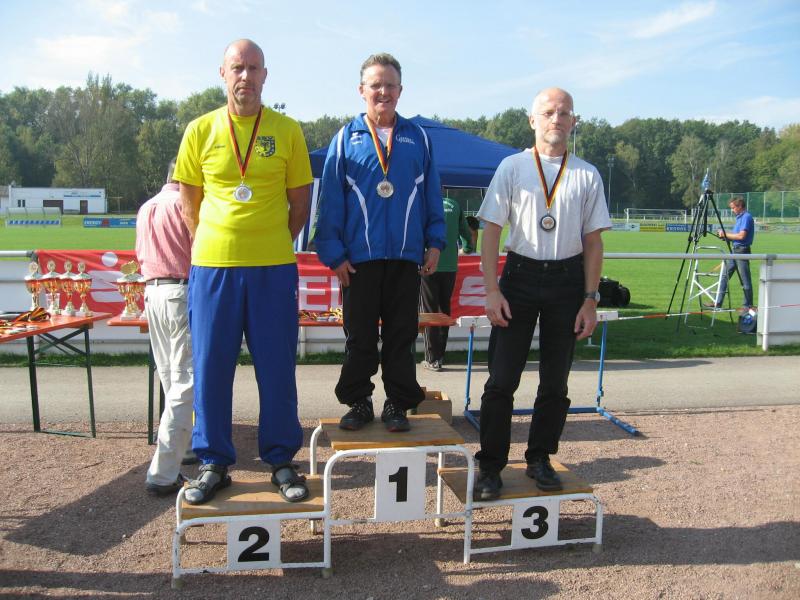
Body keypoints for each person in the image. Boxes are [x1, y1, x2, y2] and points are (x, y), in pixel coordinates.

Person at [173, 39, 313, 505]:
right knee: (212, 368)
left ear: (265, 75)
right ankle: (214, 462)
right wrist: (215, 242)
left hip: (273, 268)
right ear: (223, 73)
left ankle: (281, 459)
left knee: (277, 368)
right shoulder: (199, 130)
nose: (245, 77)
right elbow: (189, 203)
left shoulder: (287, 130)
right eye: (237, 67)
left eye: (254, 68)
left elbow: (300, 205)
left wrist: (268, 240)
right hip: (214, 268)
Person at [473, 87, 612, 501]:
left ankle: (539, 457)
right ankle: (490, 465)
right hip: (519, 277)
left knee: (555, 382)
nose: (557, 119)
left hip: (567, 282)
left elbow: (594, 242)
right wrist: (492, 290)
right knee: (501, 380)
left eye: (564, 113)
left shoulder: (587, 174)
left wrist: (590, 299)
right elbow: (491, 232)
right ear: (533, 120)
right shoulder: (513, 167)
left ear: (574, 122)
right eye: (549, 112)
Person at [314, 52, 446, 433]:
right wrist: (334, 254)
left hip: (406, 257)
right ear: (362, 90)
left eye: (390, 85)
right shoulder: (346, 139)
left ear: (400, 90)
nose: (383, 92)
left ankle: (397, 403)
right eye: (376, 85)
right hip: (359, 260)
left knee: (401, 335)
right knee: (360, 336)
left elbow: (431, 195)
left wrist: (435, 241)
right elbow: (331, 203)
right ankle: (358, 401)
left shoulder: (418, 138)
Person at [136, 160, 195, 497]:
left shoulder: (146, 207)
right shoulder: (185, 205)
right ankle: (163, 471)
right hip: (180, 290)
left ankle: (183, 448)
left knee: (171, 378)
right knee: (185, 381)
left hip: (152, 291)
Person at [419, 193, 474, 371]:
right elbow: (466, 232)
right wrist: (468, 248)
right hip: (450, 265)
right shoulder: (454, 204)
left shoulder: (424, 203)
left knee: (430, 311)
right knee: (444, 310)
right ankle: (440, 355)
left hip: (429, 264)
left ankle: (432, 358)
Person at [713, 196, 755, 309]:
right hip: (735, 250)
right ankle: (717, 302)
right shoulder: (739, 218)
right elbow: (736, 236)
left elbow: (741, 236)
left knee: (745, 280)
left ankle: (748, 306)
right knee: (724, 276)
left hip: (741, 251)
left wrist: (725, 234)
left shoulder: (746, 217)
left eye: (733, 208)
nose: (732, 210)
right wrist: (726, 237)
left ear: (740, 206)